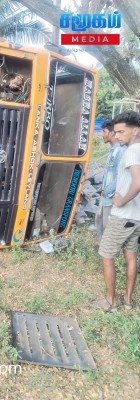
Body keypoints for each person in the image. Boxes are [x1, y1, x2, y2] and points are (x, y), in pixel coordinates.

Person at [92, 111, 140, 312]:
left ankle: (110, 302)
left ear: (135, 130)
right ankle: (128, 301)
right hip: (136, 217)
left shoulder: (131, 151)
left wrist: (121, 199)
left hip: (123, 216)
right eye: (116, 132)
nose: (117, 135)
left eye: (121, 132)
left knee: (106, 254)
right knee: (130, 256)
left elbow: (138, 183)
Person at [95, 120, 126, 244]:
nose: (102, 134)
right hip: (105, 195)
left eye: (104, 131)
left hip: (110, 195)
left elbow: (119, 175)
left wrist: (109, 192)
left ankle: (106, 249)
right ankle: (101, 245)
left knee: (107, 225)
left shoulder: (120, 151)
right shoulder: (113, 151)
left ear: (112, 133)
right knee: (99, 220)